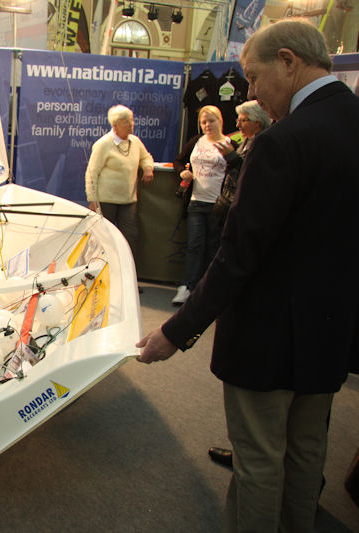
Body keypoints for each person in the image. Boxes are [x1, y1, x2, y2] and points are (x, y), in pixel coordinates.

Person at [136, 18, 359, 532]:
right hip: (329, 337)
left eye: (255, 77)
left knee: (258, 460)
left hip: (269, 342)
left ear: (289, 61)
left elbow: (239, 256)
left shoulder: (284, 143)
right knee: (306, 456)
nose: (252, 92)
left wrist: (176, 330)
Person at [171, 105, 238, 305]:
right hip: (195, 203)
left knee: (214, 248)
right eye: (204, 122)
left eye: (211, 121)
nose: (208, 125)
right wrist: (182, 172)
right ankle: (187, 287)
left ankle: (208, 290)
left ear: (220, 121)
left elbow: (238, 169)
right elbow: (178, 161)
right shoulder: (196, 142)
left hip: (219, 205)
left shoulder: (230, 144)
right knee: (194, 245)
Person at [84, 104, 154, 256]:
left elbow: (146, 157)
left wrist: (148, 168)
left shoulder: (135, 142)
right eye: (126, 122)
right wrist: (92, 199)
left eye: (132, 121)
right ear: (115, 125)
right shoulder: (103, 144)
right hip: (105, 201)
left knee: (130, 237)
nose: (131, 125)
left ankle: (126, 273)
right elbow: (91, 173)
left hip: (128, 201)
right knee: (102, 239)